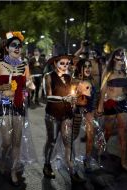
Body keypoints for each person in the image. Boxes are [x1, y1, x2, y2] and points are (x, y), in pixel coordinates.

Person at [0, 31, 36, 186]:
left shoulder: (25, 65)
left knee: (16, 140)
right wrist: (4, 86)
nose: (17, 48)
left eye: (19, 46)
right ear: (7, 48)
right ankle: (3, 158)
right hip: (2, 105)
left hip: (19, 105)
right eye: (14, 45)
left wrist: (29, 87)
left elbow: (28, 84)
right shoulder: (0, 64)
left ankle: (14, 170)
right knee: (7, 140)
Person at [43, 54, 87, 182]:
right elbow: (48, 96)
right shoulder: (49, 76)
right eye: (62, 63)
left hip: (66, 113)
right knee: (52, 141)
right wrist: (63, 98)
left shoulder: (69, 77)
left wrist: (74, 98)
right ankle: (47, 165)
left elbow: (75, 91)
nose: (65, 66)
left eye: (67, 63)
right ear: (55, 63)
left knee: (68, 142)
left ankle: (72, 170)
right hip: (52, 113)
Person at [97, 48, 127, 174]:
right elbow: (102, 90)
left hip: (124, 104)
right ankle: (101, 148)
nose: (121, 57)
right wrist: (100, 106)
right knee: (108, 130)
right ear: (114, 58)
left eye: (123, 55)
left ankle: (124, 161)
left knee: (123, 133)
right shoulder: (108, 72)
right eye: (119, 55)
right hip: (111, 103)